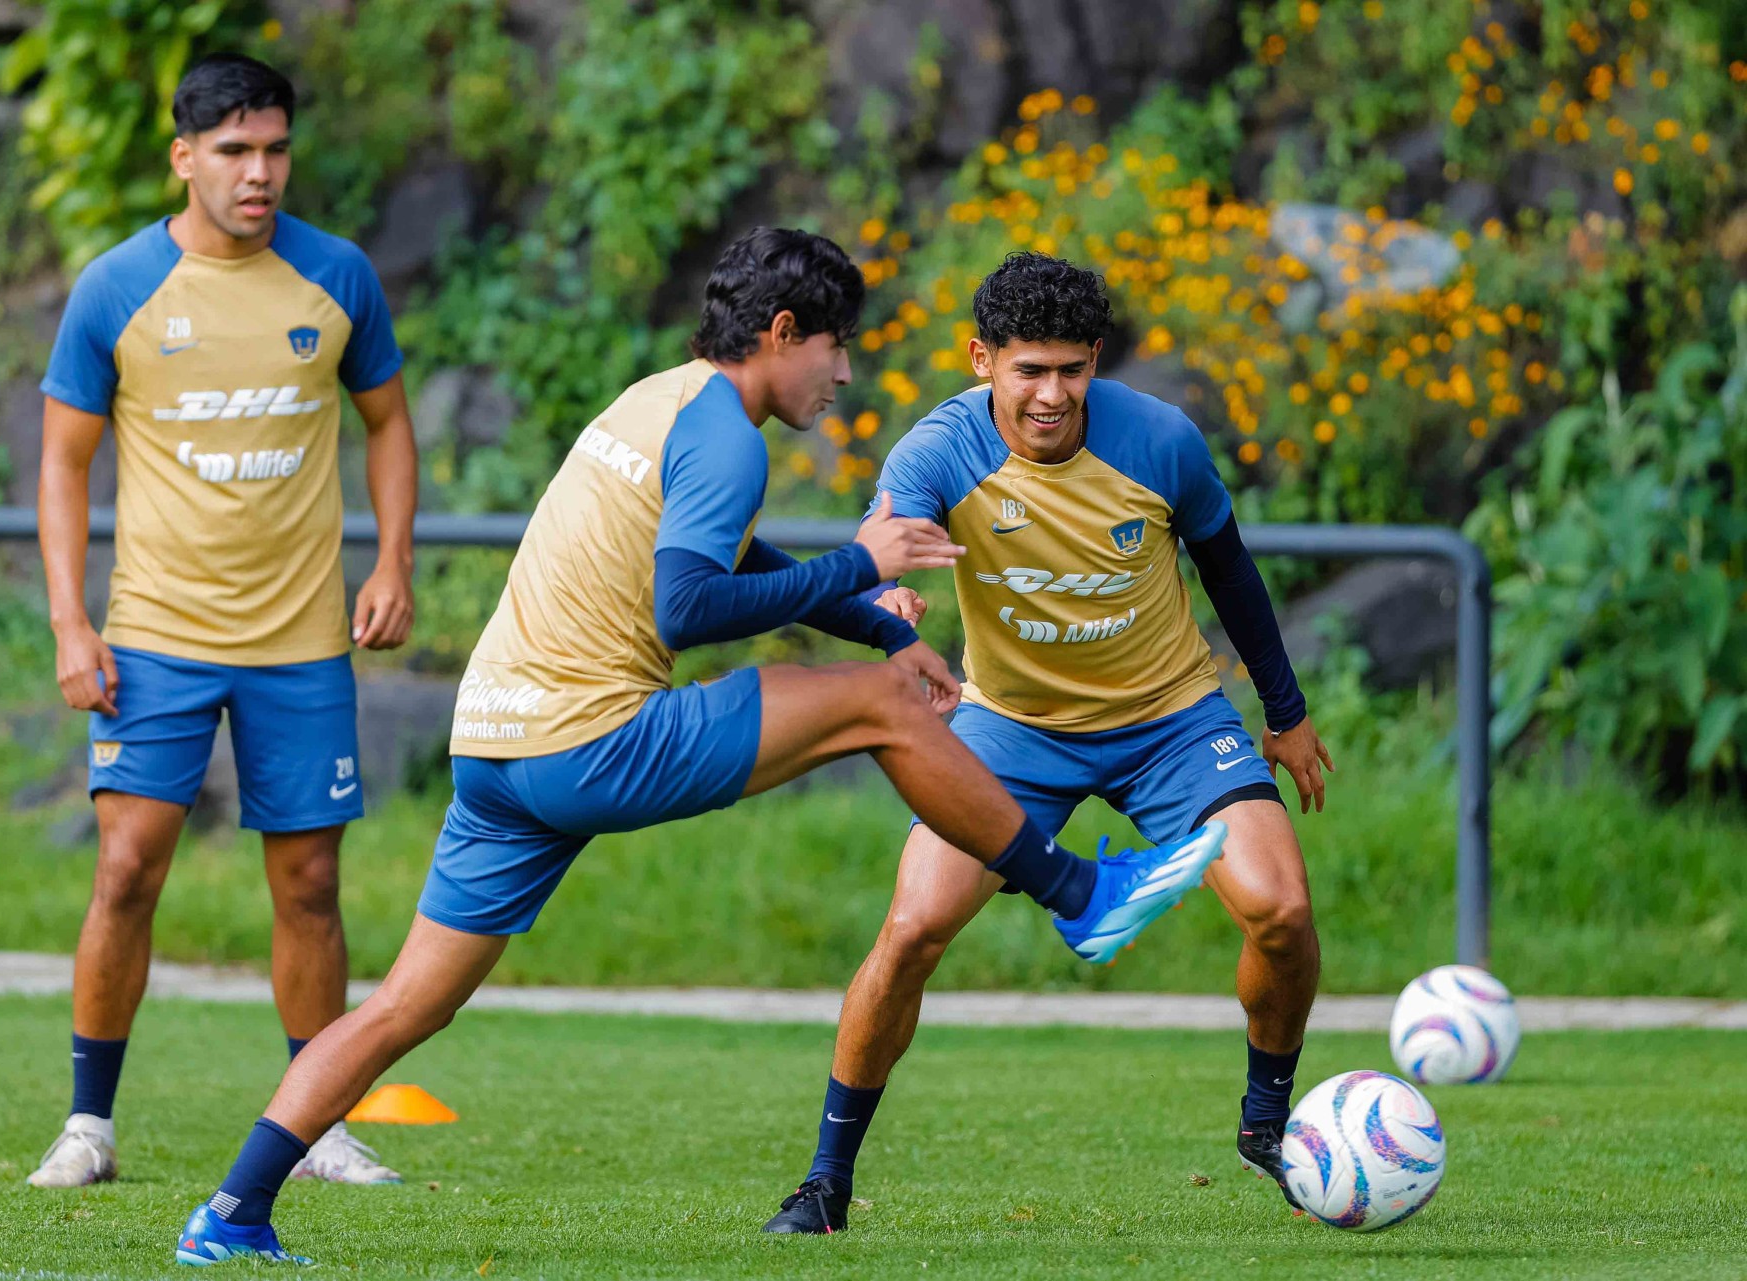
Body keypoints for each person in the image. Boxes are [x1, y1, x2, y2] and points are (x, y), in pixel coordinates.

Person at [169, 227, 1226, 1266]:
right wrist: (862, 565)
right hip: (587, 739)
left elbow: (733, 551)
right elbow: (689, 605)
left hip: (492, 746)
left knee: (409, 1003)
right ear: (782, 332)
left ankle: (233, 1212)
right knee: (885, 708)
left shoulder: (660, 399)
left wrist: (879, 623)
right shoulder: (726, 435)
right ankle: (1076, 892)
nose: (843, 377)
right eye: (836, 349)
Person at [762, 252, 1334, 1234]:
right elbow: (880, 546)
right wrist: (884, 597)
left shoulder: (1160, 440)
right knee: (913, 927)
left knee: (1281, 910)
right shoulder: (939, 450)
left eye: (1072, 370)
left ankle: (1266, 1124)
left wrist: (1285, 714)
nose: (1051, 395)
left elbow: (1231, 572)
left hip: (1173, 722)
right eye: (1029, 370)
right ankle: (824, 1183)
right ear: (983, 359)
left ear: (1096, 361)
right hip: (1012, 729)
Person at [29, 53, 417, 1190]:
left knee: (309, 885)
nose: (260, 173)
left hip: (301, 643)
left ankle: (317, 1126)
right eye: (236, 151)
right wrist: (70, 623)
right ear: (183, 157)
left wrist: (393, 561)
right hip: (155, 636)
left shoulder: (337, 276)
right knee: (125, 870)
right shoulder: (116, 288)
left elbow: (388, 423)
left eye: (276, 150)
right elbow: (62, 463)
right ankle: (88, 1127)